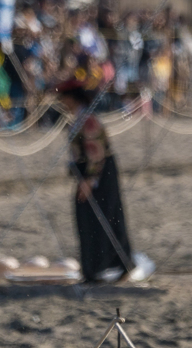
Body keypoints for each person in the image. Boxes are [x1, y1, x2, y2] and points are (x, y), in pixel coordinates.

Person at [56, 77, 152, 284]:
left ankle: (116, 265)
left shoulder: (88, 120)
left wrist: (90, 180)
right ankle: (94, 268)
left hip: (98, 176)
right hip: (88, 175)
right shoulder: (78, 118)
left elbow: (96, 152)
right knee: (89, 221)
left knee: (105, 218)